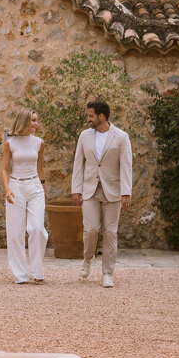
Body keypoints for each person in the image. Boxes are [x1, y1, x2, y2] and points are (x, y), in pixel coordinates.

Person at [71, 100, 133, 288]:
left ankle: (107, 273)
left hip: (113, 191)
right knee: (91, 230)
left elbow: (126, 166)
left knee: (110, 232)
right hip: (90, 190)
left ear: (101, 116)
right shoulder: (84, 136)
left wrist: (126, 193)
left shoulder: (121, 137)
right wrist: (76, 189)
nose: (88, 119)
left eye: (91, 116)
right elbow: (78, 163)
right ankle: (87, 258)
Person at [1, 108, 47, 284]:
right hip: (16, 186)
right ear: (25, 121)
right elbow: (5, 168)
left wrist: (44, 189)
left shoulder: (39, 143)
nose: (36, 123)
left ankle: (37, 270)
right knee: (15, 233)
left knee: (36, 229)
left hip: (35, 186)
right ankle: (20, 274)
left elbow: (40, 168)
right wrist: (7, 189)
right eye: (33, 120)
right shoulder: (10, 144)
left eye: (36, 120)